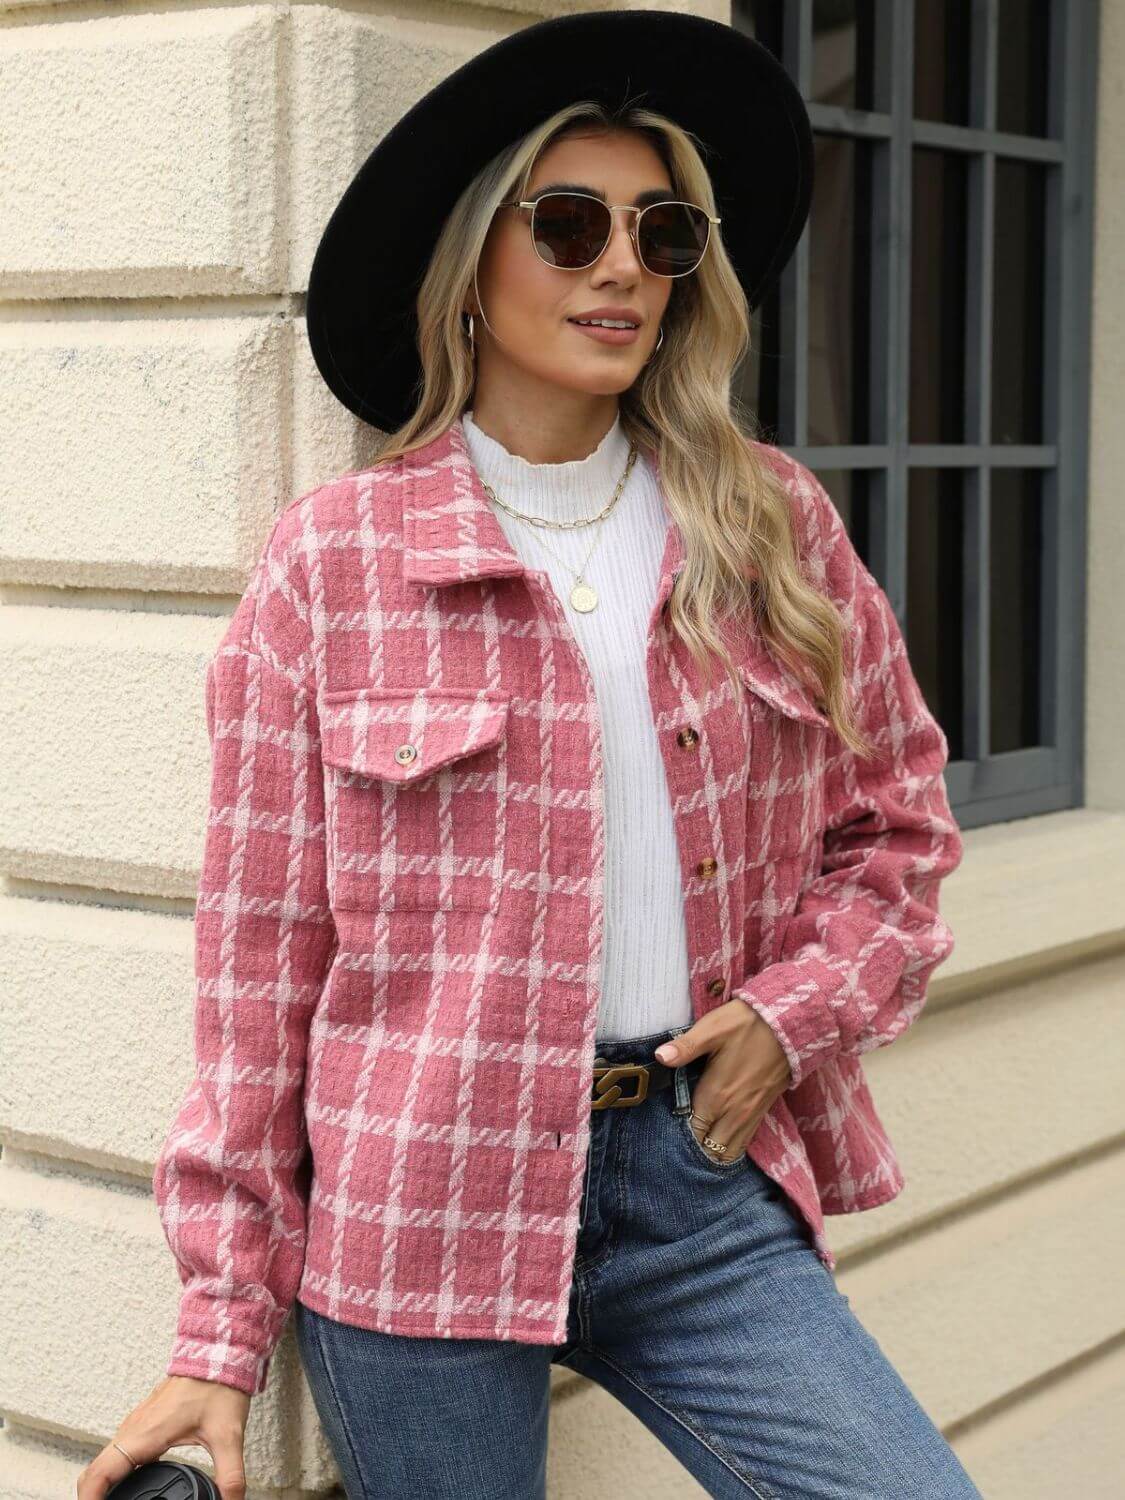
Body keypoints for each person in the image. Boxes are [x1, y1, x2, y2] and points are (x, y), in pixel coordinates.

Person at [79, 11, 981, 1499]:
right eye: (566, 226)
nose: (619, 265)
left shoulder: (767, 528)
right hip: (419, 1205)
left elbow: (900, 831)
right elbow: (258, 971)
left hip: (694, 1175)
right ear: (473, 269)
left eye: (661, 231)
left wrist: (793, 1010)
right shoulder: (338, 564)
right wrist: (220, 1327)